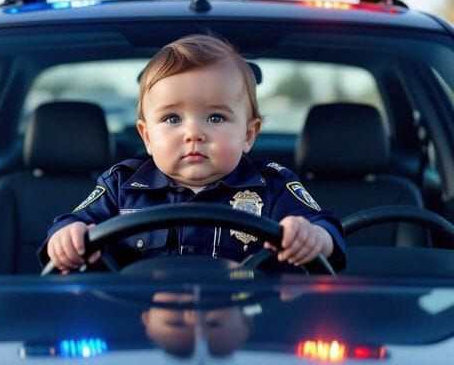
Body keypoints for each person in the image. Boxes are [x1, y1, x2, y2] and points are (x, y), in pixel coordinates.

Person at [41, 33, 346, 274]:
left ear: (248, 134)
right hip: (136, 333)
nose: (193, 133)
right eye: (172, 118)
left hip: (250, 335)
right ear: (147, 137)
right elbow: (72, 222)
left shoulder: (273, 185)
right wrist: (68, 235)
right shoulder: (121, 185)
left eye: (215, 118)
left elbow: (326, 228)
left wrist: (311, 237)